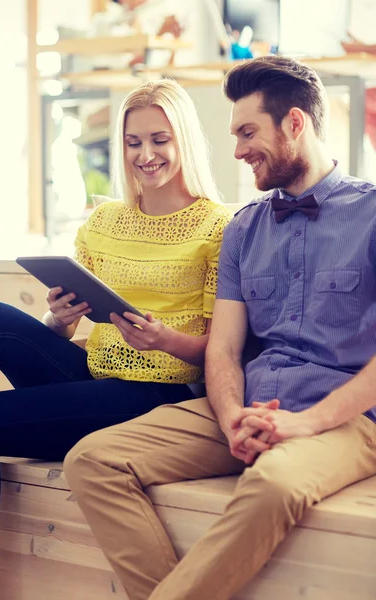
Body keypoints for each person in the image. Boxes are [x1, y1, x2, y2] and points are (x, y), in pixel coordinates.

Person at [64, 55, 376, 600]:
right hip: (243, 406)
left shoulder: (371, 216)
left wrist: (303, 426)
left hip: (343, 418)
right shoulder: (244, 228)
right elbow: (225, 350)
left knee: (272, 482)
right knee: (93, 460)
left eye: (248, 132)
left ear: (295, 124)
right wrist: (233, 417)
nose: (237, 150)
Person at [0, 78, 231, 600]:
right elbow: (80, 328)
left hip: (159, 395)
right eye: (134, 142)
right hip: (94, 375)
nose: (146, 154)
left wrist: (165, 340)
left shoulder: (218, 227)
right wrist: (60, 324)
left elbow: (220, 348)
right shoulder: (102, 221)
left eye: (159, 139)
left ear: (183, 138)